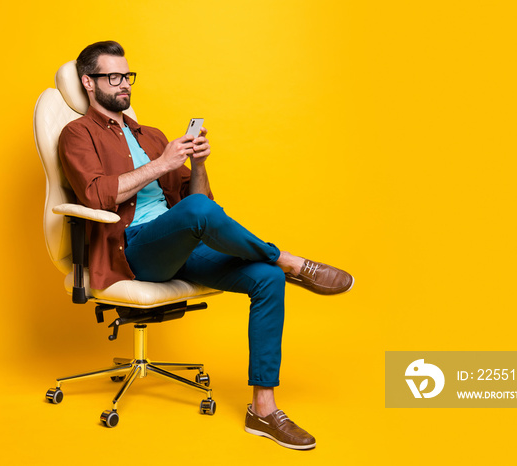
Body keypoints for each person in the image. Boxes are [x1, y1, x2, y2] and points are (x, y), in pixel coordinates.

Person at [58, 40, 354, 450]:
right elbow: (94, 195)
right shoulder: (77, 133)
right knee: (215, 224)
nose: (124, 84)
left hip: (182, 246)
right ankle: (290, 260)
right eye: (114, 76)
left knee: (266, 278)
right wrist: (161, 165)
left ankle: (263, 410)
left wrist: (197, 163)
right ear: (89, 83)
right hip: (135, 250)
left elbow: (202, 204)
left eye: (128, 76)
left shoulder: (153, 135)